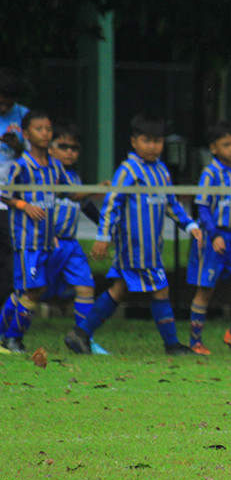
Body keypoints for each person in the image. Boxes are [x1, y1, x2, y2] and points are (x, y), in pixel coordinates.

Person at [63, 113, 204, 356]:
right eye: (147, 140)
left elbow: (171, 203)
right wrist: (103, 237)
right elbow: (112, 203)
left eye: (157, 141)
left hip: (151, 246)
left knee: (120, 289)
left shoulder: (161, 171)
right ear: (134, 142)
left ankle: (81, 333)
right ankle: (172, 345)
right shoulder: (129, 170)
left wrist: (190, 225)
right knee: (160, 289)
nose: (153, 146)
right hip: (134, 245)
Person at [0, 110, 72, 353]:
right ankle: (12, 337)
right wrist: (24, 205)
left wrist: (101, 189)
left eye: (48, 129)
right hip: (26, 239)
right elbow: (5, 193)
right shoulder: (21, 166)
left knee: (27, 290)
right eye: (39, 129)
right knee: (33, 289)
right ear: (27, 133)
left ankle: (6, 335)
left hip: (46, 240)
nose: (45, 134)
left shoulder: (55, 166)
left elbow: (72, 191)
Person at [185, 122, 231, 356]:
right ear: (214, 148)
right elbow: (203, 208)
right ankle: (195, 341)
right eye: (226, 144)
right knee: (205, 290)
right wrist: (214, 234)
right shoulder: (210, 173)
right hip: (212, 237)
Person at [45, 121, 109, 355]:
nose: (70, 152)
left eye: (74, 148)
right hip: (45, 242)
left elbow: (83, 203)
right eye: (64, 147)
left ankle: (84, 337)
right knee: (28, 291)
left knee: (86, 287)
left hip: (70, 243)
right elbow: (70, 194)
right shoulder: (47, 173)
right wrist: (97, 188)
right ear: (50, 148)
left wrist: (106, 226)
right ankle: (9, 336)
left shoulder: (74, 176)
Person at [0, 70, 29, 311]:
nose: (3, 107)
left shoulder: (24, 116)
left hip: (10, 196)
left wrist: (18, 147)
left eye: (7, 104)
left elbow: (36, 154)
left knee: (9, 255)